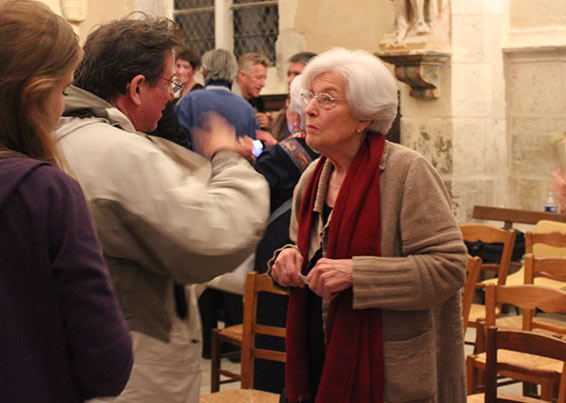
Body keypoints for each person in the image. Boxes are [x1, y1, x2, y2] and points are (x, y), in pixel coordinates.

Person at [55, 15, 269, 402]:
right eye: (170, 83)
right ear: (137, 88)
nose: (174, 96)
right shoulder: (116, 151)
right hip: (134, 366)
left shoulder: (64, 132)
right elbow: (210, 238)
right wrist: (228, 159)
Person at [270, 48, 467, 402]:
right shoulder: (313, 176)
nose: (309, 109)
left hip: (387, 373)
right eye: (310, 97)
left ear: (364, 117)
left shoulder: (407, 173)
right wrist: (287, 259)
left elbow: (450, 269)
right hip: (316, 359)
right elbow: (307, 250)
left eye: (326, 100)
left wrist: (358, 274)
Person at [0, 1, 133, 401]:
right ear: (36, 95)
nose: (62, 107)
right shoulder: (45, 192)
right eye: (62, 89)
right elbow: (105, 362)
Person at [252, 75, 318, 394]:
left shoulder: (279, 155)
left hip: (277, 255)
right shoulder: (336, 155)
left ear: (294, 114)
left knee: (276, 337)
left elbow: (252, 204)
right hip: (314, 258)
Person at [176, 49, 259, 141]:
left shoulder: (189, 101)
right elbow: (255, 146)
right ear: (234, 74)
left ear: (204, 72)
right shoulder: (246, 108)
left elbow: (177, 142)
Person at [269, 52, 317, 141]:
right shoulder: (287, 106)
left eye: (296, 74)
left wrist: (273, 144)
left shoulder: (315, 110)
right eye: (289, 74)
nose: (289, 80)